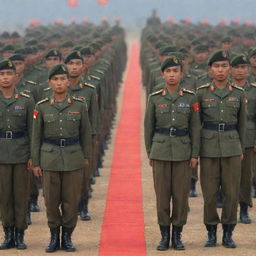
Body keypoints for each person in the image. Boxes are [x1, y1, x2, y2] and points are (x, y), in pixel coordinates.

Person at [31, 64, 92, 252]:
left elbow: (86, 133)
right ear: (50, 83)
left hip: (73, 158)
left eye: (62, 79)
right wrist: (36, 162)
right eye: (55, 79)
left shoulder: (79, 105)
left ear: (68, 82)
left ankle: (67, 236)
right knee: (50, 200)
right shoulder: (41, 107)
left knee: (71, 200)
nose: (59, 83)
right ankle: (53, 236)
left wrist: (86, 156)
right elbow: (36, 136)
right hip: (49, 159)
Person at [144, 56, 200, 251]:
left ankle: (177, 235)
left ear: (181, 74)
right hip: (160, 151)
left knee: (180, 196)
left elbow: (195, 128)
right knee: (162, 196)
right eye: (168, 71)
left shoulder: (190, 97)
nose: (172, 75)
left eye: (175, 71)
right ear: (163, 74)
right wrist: (150, 151)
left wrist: (194, 154)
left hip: (183, 151)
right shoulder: (155, 97)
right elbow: (148, 127)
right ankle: (164, 235)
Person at [197, 50, 246, 248]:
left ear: (229, 69)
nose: (220, 70)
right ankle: (211, 231)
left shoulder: (238, 93)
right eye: (216, 66)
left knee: (231, 193)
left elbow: (242, 125)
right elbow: (196, 124)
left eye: (224, 66)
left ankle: (228, 232)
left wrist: (241, 148)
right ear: (210, 70)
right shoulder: (201, 93)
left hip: (232, 148)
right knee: (209, 194)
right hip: (208, 149)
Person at [0, 59, 34, 250]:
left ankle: (20, 233)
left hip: (21, 153)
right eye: (2, 74)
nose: (5, 78)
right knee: (4, 196)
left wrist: (32, 156)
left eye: (8, 74)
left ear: (16, 76)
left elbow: (33, 130)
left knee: (21, 195)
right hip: (1, 154)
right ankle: (8, 233)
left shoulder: (26, 99)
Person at [231, 54, 256, 224]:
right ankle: (229, 209)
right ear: (231, 69)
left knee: (246, 176)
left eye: (243, 67)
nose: (240, 71)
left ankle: (244, 208)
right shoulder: (225, 89)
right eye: (236, 67)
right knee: (228, 176)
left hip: (248, 137)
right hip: (228, 137)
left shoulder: (254, 90)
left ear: (248, 69)